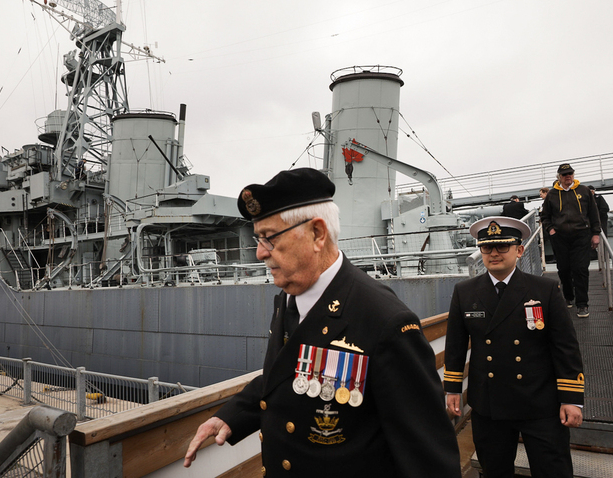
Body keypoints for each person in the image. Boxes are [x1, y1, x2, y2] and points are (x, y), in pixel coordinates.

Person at [184, 168, 461, 477]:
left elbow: (430, 459)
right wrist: (231, 415)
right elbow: (285, 375)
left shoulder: (385, 321)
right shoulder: (289, 299)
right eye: (257, 238)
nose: (260, 252)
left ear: (317, 234)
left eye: (270, 238)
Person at [444, 216, 584, 478]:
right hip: (489, 404)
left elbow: (565, 347)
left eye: (502, 246)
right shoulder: (465, 292)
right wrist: (452, 388)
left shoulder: (544, 289)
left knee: (553, 471)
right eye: (487, 247)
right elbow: (455, 345)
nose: (494, 253)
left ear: (519, 250)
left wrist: (572, 399)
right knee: (495, 471)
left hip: (540, 403)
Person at [541, 163, 601, 317]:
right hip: (560, 237)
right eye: (564, 174)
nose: (568, 176)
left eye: (570, 173)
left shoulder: (584, 191)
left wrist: (596, 233)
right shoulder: (552, 195)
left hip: (581, 235)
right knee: (564, 269)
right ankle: (568, 296)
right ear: (559, 177)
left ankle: (582, 304)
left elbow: (593, 213)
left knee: (580, 269)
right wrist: (551, 230)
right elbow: (545, 216)